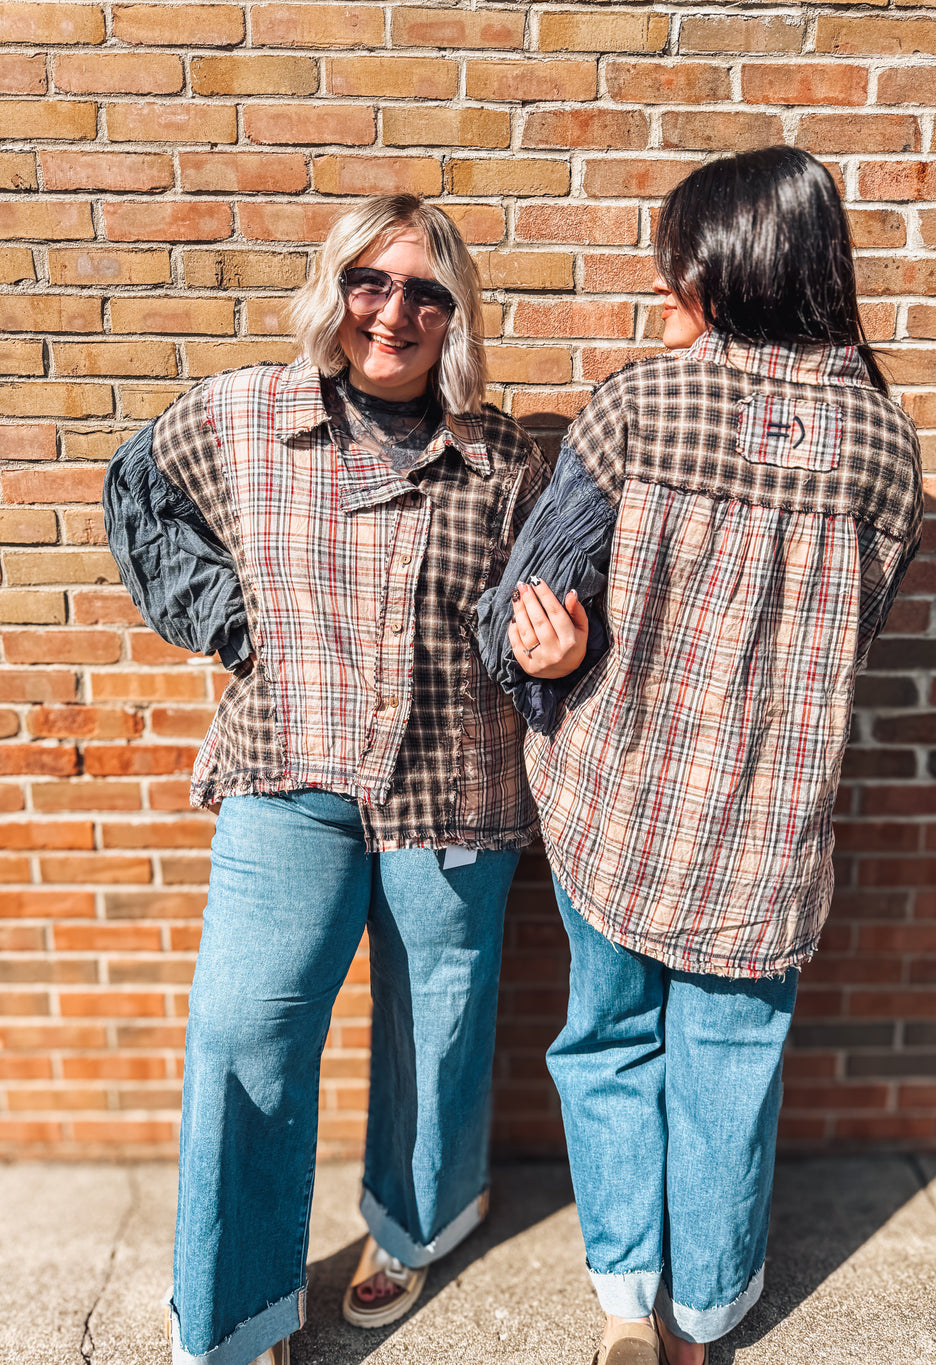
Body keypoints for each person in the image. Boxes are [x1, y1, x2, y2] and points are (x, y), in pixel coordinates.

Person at [476, 147, 923, 1365]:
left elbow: (519, 611)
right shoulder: (886, 449)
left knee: (610, 1042)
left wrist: (549, 666)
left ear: (723, 263)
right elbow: (854, 641)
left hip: (619, 806)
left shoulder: (636, 406)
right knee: (731, 1074)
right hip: (768, 833)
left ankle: (626, 1301)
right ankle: (703, 1324)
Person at [103, 194, 548, 1365]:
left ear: (455, 316)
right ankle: (238, 1312)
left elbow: (535, 610)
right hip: (288, 769)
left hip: (454, 787)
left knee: (439, 1030)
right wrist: (223, 618)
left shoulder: (502, 456)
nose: (392, 312)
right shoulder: (244, 414)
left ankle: (419, 1221)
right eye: (369, 281)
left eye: (425, 291)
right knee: (243, 1029)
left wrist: (554, 645)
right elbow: (134, 494)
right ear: (333, 287)